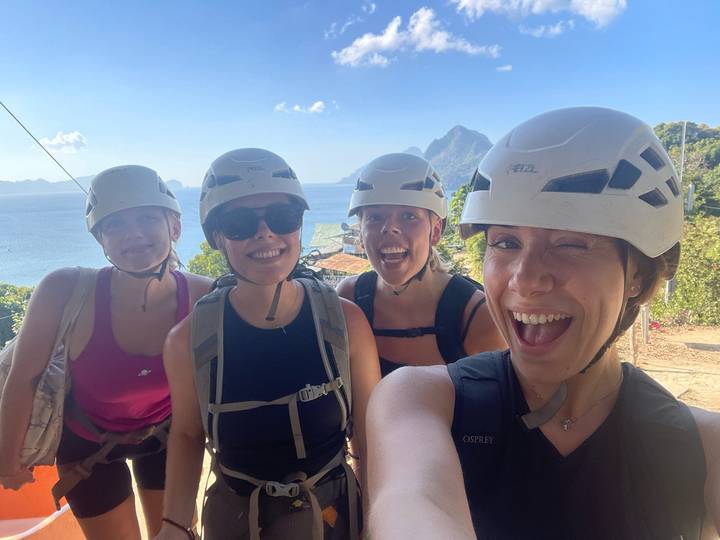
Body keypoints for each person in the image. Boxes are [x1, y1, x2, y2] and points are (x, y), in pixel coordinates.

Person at [366, 108, 720, 539]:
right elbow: (411, 503)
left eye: (571, 244)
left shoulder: (702, 448)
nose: (525, 279)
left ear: (639, 276)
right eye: (506, 243)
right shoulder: (419, 400)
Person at [157, 148, 380, 540]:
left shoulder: (344, 322)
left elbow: (367, 431)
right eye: (240, 223)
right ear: (216, 238)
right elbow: (188, 434)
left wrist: (377, 514)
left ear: (298, 228)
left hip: (333, 518)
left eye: (282, 217)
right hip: (238, 522)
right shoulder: (188, 341)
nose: (265, 233)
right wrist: (174, 526)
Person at [0, 165, 212, 540]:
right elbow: (23, 378)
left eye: (147, 218)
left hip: (166, 436)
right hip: (86, 445)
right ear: (101, 239)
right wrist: (7, 460)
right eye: (114, 225)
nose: (133, 234)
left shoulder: (203, 296)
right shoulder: (64, 290)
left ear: (174, 227)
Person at [337, 153, 505, 378]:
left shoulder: (476, 317)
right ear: (361, 231)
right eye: (375, 217)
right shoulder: (350, 300)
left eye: (408, 216)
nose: (389, 229)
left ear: (434, 231)